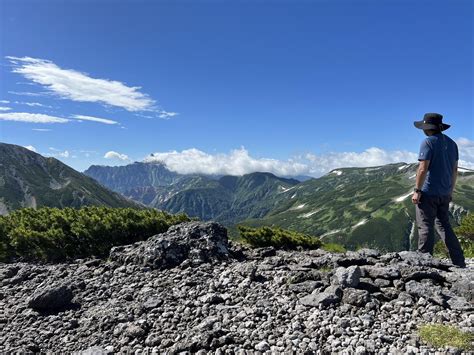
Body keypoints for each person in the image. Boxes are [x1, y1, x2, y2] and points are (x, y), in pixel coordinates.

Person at [411, 113, 466, 267]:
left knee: (425, 226)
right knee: (444, 226)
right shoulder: (452, 144)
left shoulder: (427, 142)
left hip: (428, 193)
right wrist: (450, 191)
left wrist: (417, 190)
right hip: (444, 193)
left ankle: (424, 262)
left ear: (426, 128)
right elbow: (455, 170)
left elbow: (422, 168)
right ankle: (459, 261)